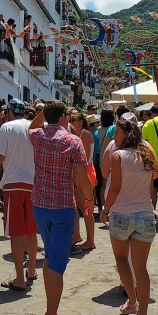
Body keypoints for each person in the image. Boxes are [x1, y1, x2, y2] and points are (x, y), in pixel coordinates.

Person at [29, 100, 94, 315]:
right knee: (57, 264)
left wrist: (42, 112)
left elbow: (31, 127)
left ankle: (50, 307)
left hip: (40, 205)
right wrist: (89, 200)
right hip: (63, 207)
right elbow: (82, 175)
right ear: (65, 117)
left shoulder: (37, 136)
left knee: (50, 258)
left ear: (46, 115)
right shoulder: (73, 141)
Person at [103, 112, 158, 315]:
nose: (114, 137)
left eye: (117, 133)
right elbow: (155, 176)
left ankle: (132, 302)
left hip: (122, 215)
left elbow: (115, 187)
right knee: (141, 268)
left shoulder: (118, 156)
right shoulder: (146, 154)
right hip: (145, 214)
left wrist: (105, 209)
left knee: (121, 259)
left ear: (126, 134)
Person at [0, 99, 39, 291]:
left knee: (16, 233)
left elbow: (0, 156)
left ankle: (20, 277)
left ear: (10, 111)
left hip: (13, 185)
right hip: (32, 184)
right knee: (31, 230)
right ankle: (32, 270)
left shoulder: (7, 127)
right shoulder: (34, 127)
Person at [67, 107, 97, 250]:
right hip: (77, 172)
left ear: (80, 121)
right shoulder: (73, 134)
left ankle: (90, 240)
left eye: (73, 119)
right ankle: (77, 235)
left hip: (84, 172)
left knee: (86, 208)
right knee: (75, 206)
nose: (70, 122)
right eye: (69, 119)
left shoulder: (85, 135)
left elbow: (83, 159)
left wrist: (78, 177)